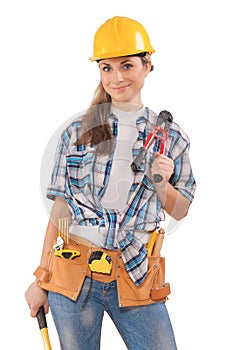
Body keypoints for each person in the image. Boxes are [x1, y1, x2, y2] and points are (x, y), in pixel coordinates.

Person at [25, 16, 196, 350]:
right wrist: (41, 279)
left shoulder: (171, 137)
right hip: (73, 279)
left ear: (148, 66)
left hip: (135, 275)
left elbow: (182, 210)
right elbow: (61, 210)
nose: (117, 77)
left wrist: (161, 183)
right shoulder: (77, 132)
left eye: (127, 65)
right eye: (106, 68)